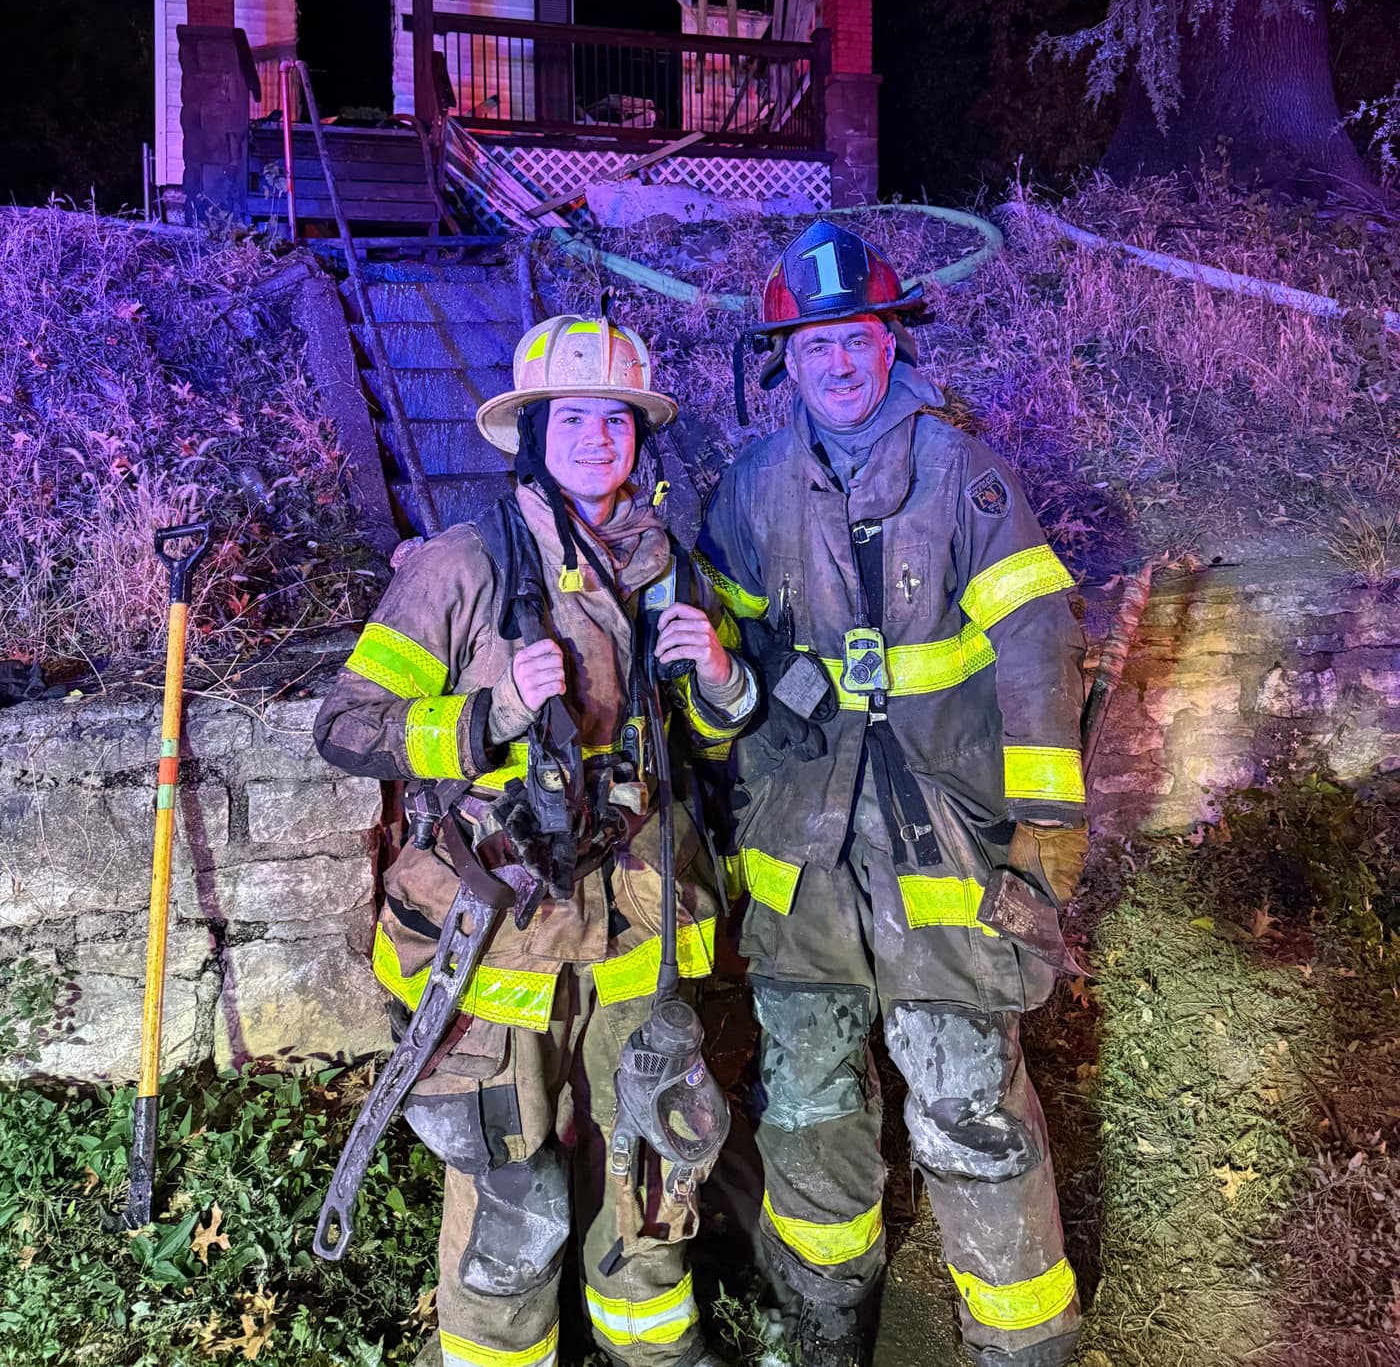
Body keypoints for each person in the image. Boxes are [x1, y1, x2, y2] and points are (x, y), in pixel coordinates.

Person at [315, 314, 755, 1367]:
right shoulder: (465, 565)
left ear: (636, 437)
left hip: (640, 927)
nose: (597, 436)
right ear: (533, 433)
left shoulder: (666, 567)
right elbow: (346, 725)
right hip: (502, 934)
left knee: (651, 1154)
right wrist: (486, 712)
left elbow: (702, 745)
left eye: (615, 418)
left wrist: (721, 683)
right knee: (509, 1191)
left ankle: (648, 1343)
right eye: (573, 417)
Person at [698, 222, 1088, 1367]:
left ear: (887, 342)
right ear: (788, 358)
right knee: (809, 1089)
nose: (836, 362)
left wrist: (1044, 833)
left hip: (943, 840)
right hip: (802, 848)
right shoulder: (755, 485)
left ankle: (1019, 1339)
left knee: (964, 1085)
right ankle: (823, 1318)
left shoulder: (962, 475)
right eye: (814, 343)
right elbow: (717, 647)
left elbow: (1035, 645)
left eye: (854, 338)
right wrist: (740, 694)